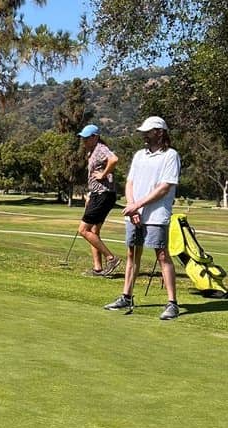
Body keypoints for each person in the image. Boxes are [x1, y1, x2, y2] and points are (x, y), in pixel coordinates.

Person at [103, 116, 181, 320]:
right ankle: (126, 296)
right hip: (134, 213)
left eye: (148, 132)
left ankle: (172, 303)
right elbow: (130, 183)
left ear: (160, 132)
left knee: (162, 255)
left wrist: (137, 205)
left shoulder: (171, 156)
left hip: (156, 214)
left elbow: (164, 187)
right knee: (131, 254)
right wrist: (133, 206)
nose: (144, 136)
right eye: (143, 132)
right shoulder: (139, 155)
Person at [76, 124, 121, 277]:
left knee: (83, 230)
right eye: (83, 138)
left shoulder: (101, 148)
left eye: (86, 138)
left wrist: (103, 175)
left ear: (95, 137)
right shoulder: (92, 151)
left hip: (103, 194)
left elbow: (114, 160)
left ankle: (112, 258)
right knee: (94, 231)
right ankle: (98, 269)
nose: (83, 141)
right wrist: (90, 193)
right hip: (98, 194)